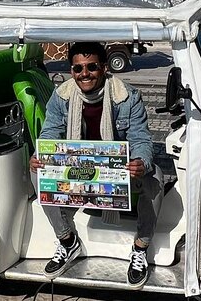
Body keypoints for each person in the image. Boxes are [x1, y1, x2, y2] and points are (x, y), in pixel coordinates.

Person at [29, 42, 162, 288]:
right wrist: (40, 154)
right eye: (78, 69)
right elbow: (50, 132)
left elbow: (141, 139)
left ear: (103, 67)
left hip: (114, 171)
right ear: (72, 71)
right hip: (78, 169)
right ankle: (68, 241)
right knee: (36, 170)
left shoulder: (127, 96)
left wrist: (139, 162)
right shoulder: (62, 96)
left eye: (91, 67)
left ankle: (140, 246)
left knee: (155, 177)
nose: (85, 74)